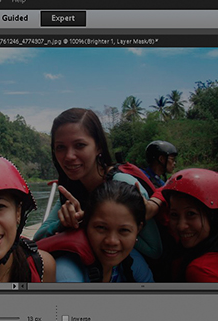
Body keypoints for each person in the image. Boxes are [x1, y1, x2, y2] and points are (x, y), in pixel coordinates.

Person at [34, 108, 164, 262]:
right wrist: (62, 224)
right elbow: (37, 239)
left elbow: (154, 250)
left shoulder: (123, 184)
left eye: (80, 145)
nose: (69, 156)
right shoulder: (72, 189)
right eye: (60, 147)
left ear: (99, 147)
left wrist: (93, 224)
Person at [38, 181, 154, 282]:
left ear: (138, 230)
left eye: (124, 230)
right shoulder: (66, 273)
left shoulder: (132, 261)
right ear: (86, 224)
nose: (111, 241)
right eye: (101, 228)